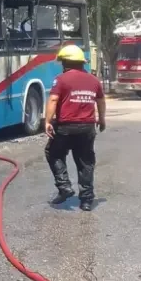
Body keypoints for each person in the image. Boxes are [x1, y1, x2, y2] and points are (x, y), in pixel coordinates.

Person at [44, 44, 106, 212]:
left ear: (65, 63)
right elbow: (100, 101)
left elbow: (53, 100)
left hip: (65, 127)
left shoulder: (61, 79)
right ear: (81, 62)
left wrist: (47, 121)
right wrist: (102, 120)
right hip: (87, 128)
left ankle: (64, 187)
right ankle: (86, 200)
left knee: (54, 153)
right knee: (85, 162)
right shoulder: (94, 80)